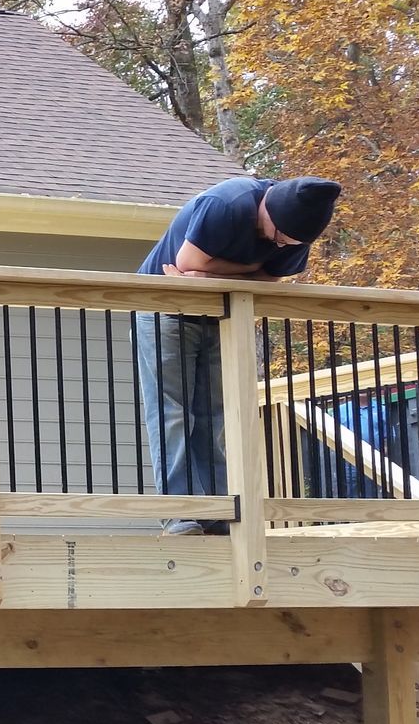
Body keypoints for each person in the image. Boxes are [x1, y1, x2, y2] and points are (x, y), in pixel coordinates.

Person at [135, 176, 342, 535]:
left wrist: (210, 274)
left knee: (213, 415)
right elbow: (187, 263)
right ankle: (180, 511)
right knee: (172, 412)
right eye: (279, 235)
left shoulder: (296, 231)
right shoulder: (226, 204)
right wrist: (249, 272)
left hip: (220, 313)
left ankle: (215, 513)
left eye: (290, 243)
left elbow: (269, 280)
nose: (281, 245)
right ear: (268, 208)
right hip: (164, 307)